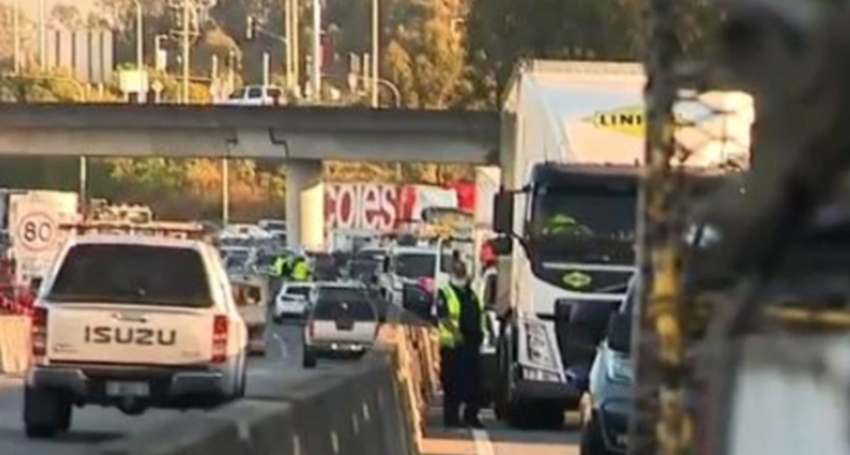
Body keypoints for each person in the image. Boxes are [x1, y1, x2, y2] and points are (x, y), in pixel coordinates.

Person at [436, 260, 485, 428]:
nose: (461, 277)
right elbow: (443, 318)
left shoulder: (471, 294)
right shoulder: (446, 293)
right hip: (453, 346)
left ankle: (471, 416)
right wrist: (456, 334)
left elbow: (478, 316)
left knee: (474, 384)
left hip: (471, 344)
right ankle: (451, 418)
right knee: (453, 385)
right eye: (458, 273)